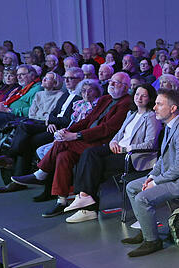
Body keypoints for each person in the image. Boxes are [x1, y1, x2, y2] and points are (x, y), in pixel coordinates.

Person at [11, 73, 133, 215]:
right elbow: (87, 121)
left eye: (116, 83)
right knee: (64, 155)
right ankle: (61, 201)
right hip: (88, 138)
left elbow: (108, 129)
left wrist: (76, 135)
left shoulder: (126, 103)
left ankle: (41, 173)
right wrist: (67, 130)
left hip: (103, 144)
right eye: (111, 81)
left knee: (63, 144)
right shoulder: (105, 99)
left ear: (126, 87)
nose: (111, 85)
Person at [121, 89, 179, 257]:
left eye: (159, 104)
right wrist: (151, 176)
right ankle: (146, 231)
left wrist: (156, 182)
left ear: (173, 108)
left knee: (142, 197)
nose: (155, 107)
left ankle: (152, 241)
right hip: (171, 176)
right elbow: (162, 160)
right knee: (131, 187)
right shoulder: (170, 126)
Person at [63, 84, 162, 223]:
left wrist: (125, 149)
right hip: (117, 149)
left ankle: (88, 207)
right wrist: (113, 142)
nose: (139, 98)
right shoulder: (131, 113)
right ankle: (83, 196)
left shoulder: (152, 117)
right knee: (89, 153)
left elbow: (150, 144)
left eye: (144, 95)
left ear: (150, 98)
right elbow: (119, 134)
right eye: (137, 94)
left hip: (134, 156)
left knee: (95, 166)